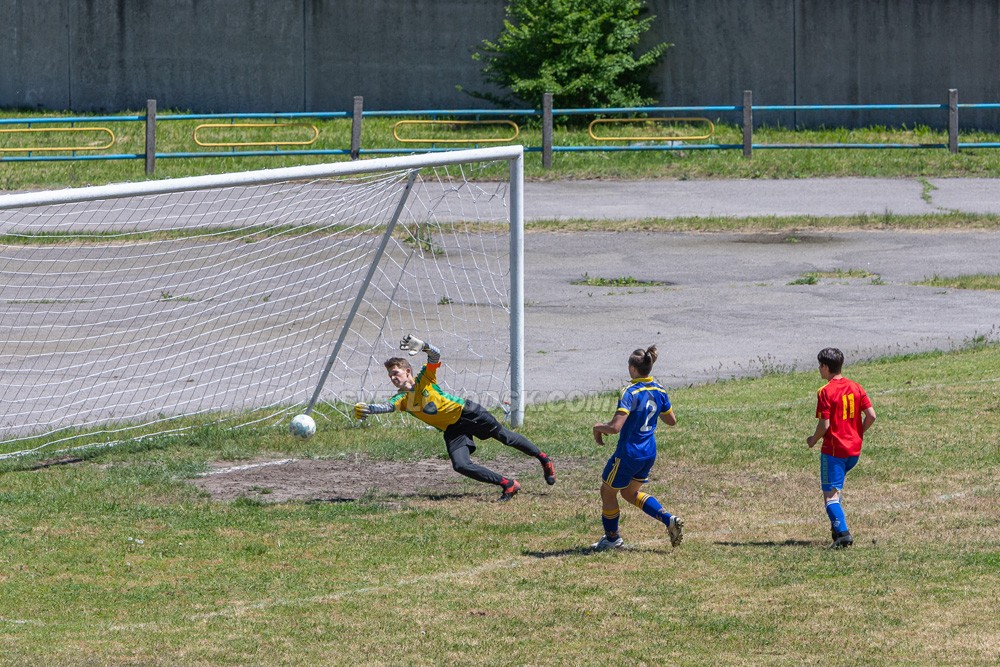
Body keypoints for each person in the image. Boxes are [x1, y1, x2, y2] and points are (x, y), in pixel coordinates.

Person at [354, 334, 556, 501]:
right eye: (390, 376)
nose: (392, 378)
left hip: (467, 413)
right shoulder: (402, 399)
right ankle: (508, 484)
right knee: (460, 465)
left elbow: (435, 356)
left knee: (506, 438)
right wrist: (367, 409)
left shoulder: (425, 379)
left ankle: (543, 459)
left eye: (395, 373)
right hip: (453, 429)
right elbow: (386, 407)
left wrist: (425, 346)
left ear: (408, 372)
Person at [591, 345, 682, 551]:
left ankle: (612, 539)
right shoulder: (659, 390)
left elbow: (615, 428)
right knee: (630, 493)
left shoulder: (629, 392)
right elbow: (671, 420)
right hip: (648, 452)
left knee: (608, 491)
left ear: (633, 369)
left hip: (629, 453)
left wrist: (598, 427)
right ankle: (669, 520)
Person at [806, 347, 876, 549]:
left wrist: (813, 440)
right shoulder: (856, 387)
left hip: (834, 452)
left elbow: (824, 425)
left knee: (830, 497)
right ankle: (836, 530)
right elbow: (871, 415)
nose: (819, 369)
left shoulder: (825, 392)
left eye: (820, 366)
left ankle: (843, 534)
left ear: (826, 367)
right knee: (836, 490)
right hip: (853, 452)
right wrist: (858, 433)